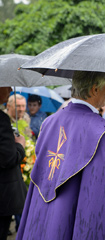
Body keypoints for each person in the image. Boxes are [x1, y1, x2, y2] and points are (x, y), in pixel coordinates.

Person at [16, 71, 105, 240]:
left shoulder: (49, 122)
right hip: (74, 214)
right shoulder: (101, 131)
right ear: (95, 89)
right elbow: (101, 187)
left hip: (45, 213)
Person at [0, 87, 27, 240]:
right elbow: (8, 158)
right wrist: (20, 145)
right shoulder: (2, 119)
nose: (10, 89)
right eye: (6, 85)